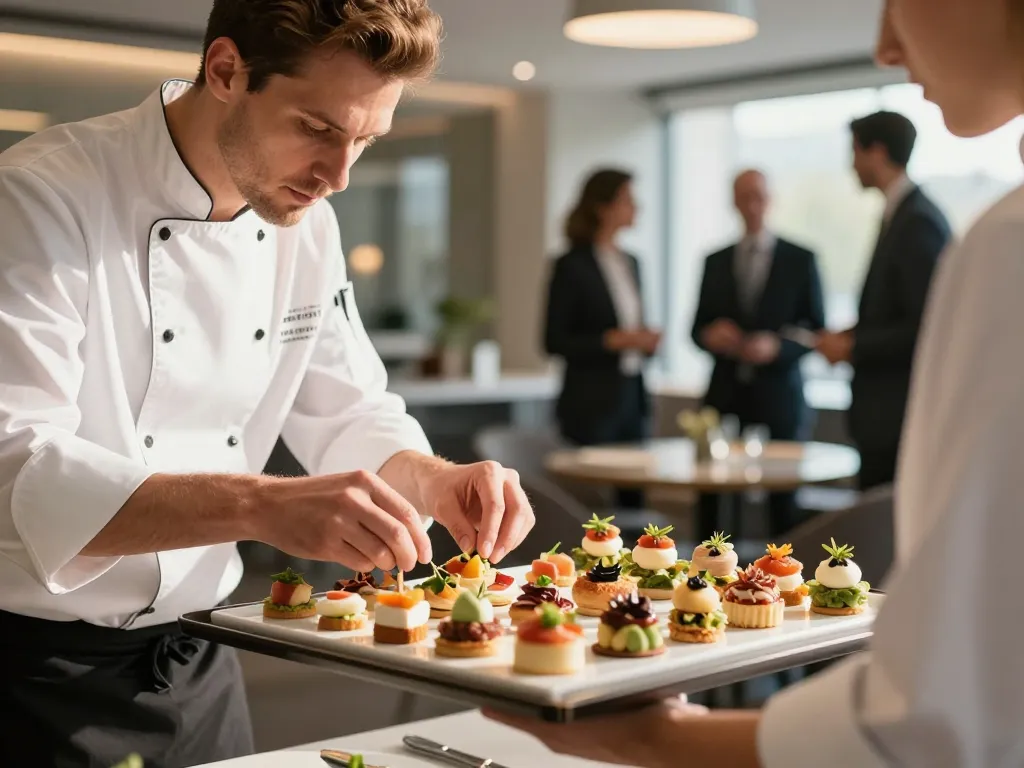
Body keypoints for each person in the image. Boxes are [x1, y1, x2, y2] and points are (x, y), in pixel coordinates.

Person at [0, 2, 535, 766]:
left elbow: (348, 407)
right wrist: (262, 505)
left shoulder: (304, 221)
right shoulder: (40, 196)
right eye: (317, 129)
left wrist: (439, 481)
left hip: (201, 660)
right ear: (226, 71)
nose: (339, 176)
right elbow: (15, 467)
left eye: (365, 141)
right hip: (34, 678)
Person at [490, 0, 1024, 764]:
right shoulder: (994, 234)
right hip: (687, 401)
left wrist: (654, 737)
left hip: (778, 404)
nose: (883, 44)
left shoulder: (1005, 241)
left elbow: (935, 728)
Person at [817, 110, 952, 490]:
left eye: (855, 153)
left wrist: (853, 347)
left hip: (896, 417)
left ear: (876, 153)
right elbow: (896, 308)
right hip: (884, 418)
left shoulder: (917, 221)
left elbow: (924, 325)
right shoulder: (902, 215)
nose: (852, 166)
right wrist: (851, 334)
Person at [692, 169, 825, 535]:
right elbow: (696, 329)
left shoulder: (800, 259)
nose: (752, 205)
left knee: (783, 504)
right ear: (733, 201)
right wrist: (711, 335)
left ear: (770, 199)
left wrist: (777, 347)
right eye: (744, 196)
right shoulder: (715, 261)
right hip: (725, 395)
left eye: (758, 196)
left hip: (780, 396)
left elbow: (815, 330)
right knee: (714, 501)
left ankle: (782, 581)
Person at [544, 169, 662, 506]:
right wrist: (613, 341)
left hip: (633, 395)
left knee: (634, 499)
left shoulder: (633, 263)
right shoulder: (571, 265)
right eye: (627, 199)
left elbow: (632, 328)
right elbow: (553, 340)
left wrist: (643, 342)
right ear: (602, 207)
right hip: (590, 401)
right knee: (592, 507)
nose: (635, 207)